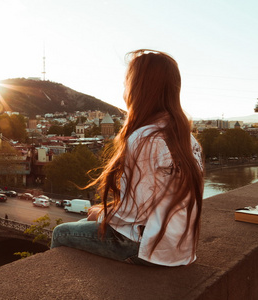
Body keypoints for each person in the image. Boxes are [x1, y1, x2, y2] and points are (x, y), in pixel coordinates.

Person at [51, 49, 204, 267]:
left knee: (62, 232)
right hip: (181, 248)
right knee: (88, 223)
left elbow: (132, 215)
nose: (125, 90)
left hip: (149, 248)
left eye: (128, 83)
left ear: (139, 89)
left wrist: (102, 214)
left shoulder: (145, 137)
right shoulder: (188, 139)